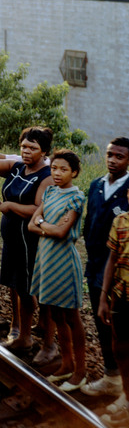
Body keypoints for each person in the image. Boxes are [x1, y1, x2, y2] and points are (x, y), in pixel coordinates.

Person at [0, 127, 53, 351]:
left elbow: (38, 209)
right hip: (12, 236)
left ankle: (26, 338)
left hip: (29, 239)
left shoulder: (46, 177)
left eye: (33, 148)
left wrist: (10, 206)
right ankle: (21, 329)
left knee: (26, 287)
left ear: (44, 152)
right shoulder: (16, 167)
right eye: (24, 147)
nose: (27, 151)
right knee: (15, 283)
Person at [29, 150, 86, 392]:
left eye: (63, 169)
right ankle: (66, 364)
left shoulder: (76, 197)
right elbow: (32, 224)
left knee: (71, 317)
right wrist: (45, 225)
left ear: (74, 172)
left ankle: (80, 371)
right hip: (47, 258)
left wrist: (42, 223)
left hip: (63, 261)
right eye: (54, 168)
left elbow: (62, 233)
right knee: (55, 315)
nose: (57, 173)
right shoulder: (50, 191)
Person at [81, 138, 129, 400]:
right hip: (97, 264)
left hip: (122, 271)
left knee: (121, 327)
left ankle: (126, 387)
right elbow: (90, 222)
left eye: (119, 156)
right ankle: (111, 376)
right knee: (102, 320)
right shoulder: (96, 185)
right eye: (110, 154)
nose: (112, 160)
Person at [97, 189, 129, 427]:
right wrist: (103, 298)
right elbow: (112, 259)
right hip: (122, 295)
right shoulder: (121, 221)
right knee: (121, 348)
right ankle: (126, 398)